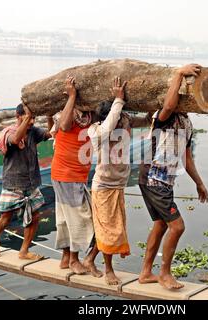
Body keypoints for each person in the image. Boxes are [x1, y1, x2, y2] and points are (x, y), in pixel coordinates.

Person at [138, 64, 208, 289]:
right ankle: (164, 274)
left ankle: (145, 273)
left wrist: (199, 183)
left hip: (163, 180)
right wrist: (179, 73)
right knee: (177, 227)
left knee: (161, 224)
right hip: (153, 177)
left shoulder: (187, 124)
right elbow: (169, 104)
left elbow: (187, 159)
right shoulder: (164, 117)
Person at [88, 76, 152, 285]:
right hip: (104, 187)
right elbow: (108, 128)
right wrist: (118, 100)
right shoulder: (96, 130)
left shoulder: (124, 120)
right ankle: (108, 270)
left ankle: (89, 259)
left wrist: (154, 106)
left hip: (118, 186)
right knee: (110, 230)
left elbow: (146, 120)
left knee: (112, 228)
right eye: (119, 120)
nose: (125, 125)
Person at [51, 76, 102, 276]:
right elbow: (63, 126)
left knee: (64, 217)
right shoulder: (68, 113)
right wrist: (71, 96)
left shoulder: (91, 116)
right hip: (66, 174)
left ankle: (65, 258)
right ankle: (73, 259)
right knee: (81, 218)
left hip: (72, 175)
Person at [0, 103, 52, 260]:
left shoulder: (33, 131)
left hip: (31, 182)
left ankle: (24, 251)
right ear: (18, 117)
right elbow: (16, 139)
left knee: (35, 217)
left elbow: (51, 133)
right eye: (28, 118)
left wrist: (50, 115)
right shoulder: (8, 133)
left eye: (34, 118)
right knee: (6, 218)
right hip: (13, 182)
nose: (31, 122)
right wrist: (28, 117)